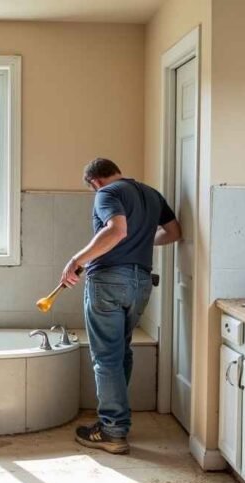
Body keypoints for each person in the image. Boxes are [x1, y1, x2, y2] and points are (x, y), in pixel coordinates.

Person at [61, 158, 182, 454]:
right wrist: (140, 242)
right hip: (141, 282)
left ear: (95, 182)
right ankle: (116, 422)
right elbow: (174, 233)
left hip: (109, 281)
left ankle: (113, 430)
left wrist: (77, 260)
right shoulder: (152, 194)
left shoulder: (107, 193)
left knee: (106, 357)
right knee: (121, 351)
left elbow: (116, 230)